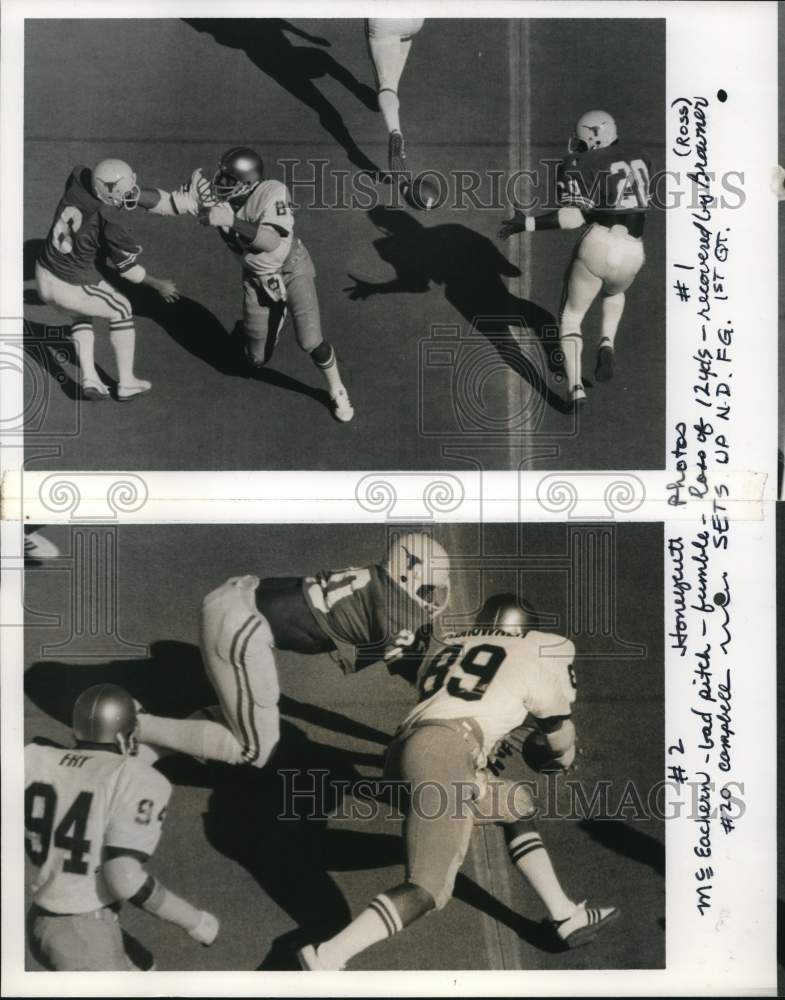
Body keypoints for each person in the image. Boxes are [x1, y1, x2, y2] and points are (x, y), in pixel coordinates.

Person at [298, 593, 618, 970]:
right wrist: (560, 758)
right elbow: (558, 738)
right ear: (522, 632)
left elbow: (461, 698)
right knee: (428, 888)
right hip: (446, 752)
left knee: (515, 804)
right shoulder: (530, 657)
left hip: (405, 752)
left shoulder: (451, 646)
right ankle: (327, 958)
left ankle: (565, 916)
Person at [135, 531, 450, 770]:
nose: (432, 597)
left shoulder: (373, 578)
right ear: (410, 577)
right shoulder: (396, 615)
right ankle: (135, 724)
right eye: (429, 589)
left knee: (247, 713)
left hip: (239, 596)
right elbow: (421, 680)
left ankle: (146, 750)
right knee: (255, 750)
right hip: (241, 627)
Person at [140, 147, 354, 422]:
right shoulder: (211, 192)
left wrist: (231, 220)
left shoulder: (273, 191)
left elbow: (270, 241)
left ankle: (336, 388)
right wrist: (134, 196)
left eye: (229, 179)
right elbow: (168, 202)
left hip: (291, 268)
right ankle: (272, 317)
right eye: (221, 174)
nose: (220, 183)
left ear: (250, 182)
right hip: (256, 279)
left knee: (310, 340)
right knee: (254, 361)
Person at [24, 684, 219, 971]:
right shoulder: (136, 778)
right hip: (84, 932)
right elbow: (124, 878)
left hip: (42, 918)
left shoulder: (36, 758)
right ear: (121, 736)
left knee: (144, 968)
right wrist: (194, 920)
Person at [499, 110, 651, 405]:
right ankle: (607, 341)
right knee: (614, 291)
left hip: (599, 243)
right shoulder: (642, 155)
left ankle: (575, 387)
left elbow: (571, 218)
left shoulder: (581, 162)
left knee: (571, 316)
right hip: (634, 250)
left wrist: (526, 223)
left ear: (592, 138)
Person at [35, 159, 179, 401]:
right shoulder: (112, 224)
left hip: (44, 274)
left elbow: (84, 171)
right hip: (68, 285)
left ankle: (91, 379)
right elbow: (128, 271)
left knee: (80, 314)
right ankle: (127, 383)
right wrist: (159, 284)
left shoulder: (78, 183)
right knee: (121, 308)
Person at [365, 19, 425, 174]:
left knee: (387, 84)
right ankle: (386, 97)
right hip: (415, 20)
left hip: (385, 21)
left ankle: (395, 131)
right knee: (389, 82)